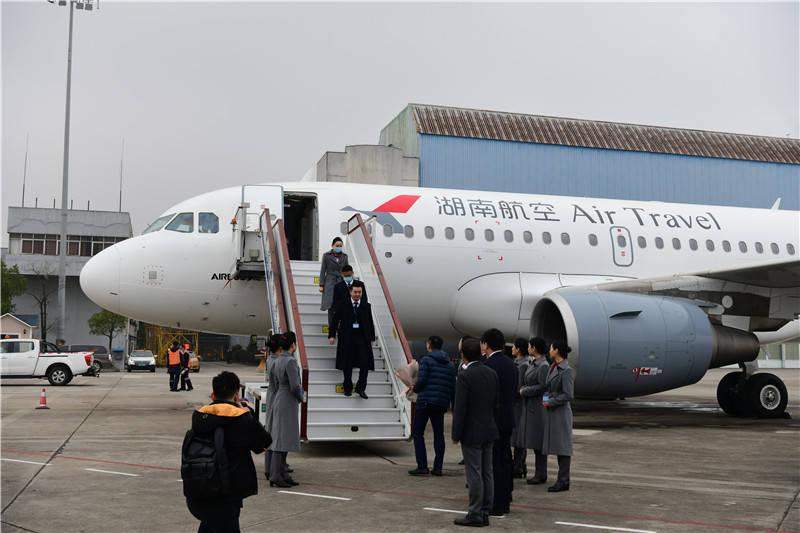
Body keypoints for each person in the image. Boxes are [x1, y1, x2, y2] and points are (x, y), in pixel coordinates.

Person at [185, 371, 272, 533]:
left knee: (209, 526)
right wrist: (249, 416)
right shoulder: (241, 419)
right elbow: (264, 443)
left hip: (197, 491)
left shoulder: (199, 417)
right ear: (237, 396)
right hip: (225, 496)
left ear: (212, 395)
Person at [452, 337, 499, 527]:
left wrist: (456, 434)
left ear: (462, 355)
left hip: (472, 431)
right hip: (489, 428)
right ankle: (486, 510)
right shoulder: (491, 373)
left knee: (474, 474)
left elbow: (460, 407)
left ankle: (475, 513)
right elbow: (496, 403)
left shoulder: (465, 376)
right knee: (487, 471)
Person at [481, 328, 518, 516]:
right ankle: (506, 496)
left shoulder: (488, 365)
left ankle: (497, 503)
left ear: (486, 345)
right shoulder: (511, 364)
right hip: (508, 418)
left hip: (492, 420)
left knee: (493, 462)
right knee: (505, 459)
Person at [408, 335, 456, 477]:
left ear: (429, 346)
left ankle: (422, 466)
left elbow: (421, 381)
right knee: (438, 435)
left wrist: (414, 388)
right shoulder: (449, 364)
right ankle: (438, 467)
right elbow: (452, 386)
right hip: (441, 403)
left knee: (417, 432)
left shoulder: (426, 360)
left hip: (425, 401)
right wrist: (453, 406)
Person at [265, 332, 304, 488]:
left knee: (280, 437)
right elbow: (295, 386)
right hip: (287, 399)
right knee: (282, 440)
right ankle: (276, 474)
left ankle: (281, 473)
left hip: (278, 396)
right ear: (293, 345)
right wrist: (301, 397)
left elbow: (273, 383)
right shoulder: (290, 361)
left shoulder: (277, 360)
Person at [328, 285, 374, 399]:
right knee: (347, 364)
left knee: (365, 363)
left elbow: (370, 323)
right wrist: (332, 335)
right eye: (355, 292)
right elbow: (335, 320)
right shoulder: (343, 304)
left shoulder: (366, 306)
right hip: (347, 338)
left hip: (362, 338)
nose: (358, 294)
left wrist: (372, 338)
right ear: (350, 292)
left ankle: (360, 388)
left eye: (359, 292)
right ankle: (347, 387)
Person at [541, 340, 575, 493]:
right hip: (552, 410)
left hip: (560, 412)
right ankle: (562, 479)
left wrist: (552, 402)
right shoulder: (552, 367)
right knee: (557, 445)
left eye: (551, 348)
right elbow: (548, 387)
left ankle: (563, 480)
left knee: (563, 447)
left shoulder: (566, 370)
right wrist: (546, 399)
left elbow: (568, 394)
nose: (549, 350)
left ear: (557, 350)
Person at [520, 337, 549, 485]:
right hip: (530, 405)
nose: (528, 348)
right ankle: (539, 472)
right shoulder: (534, 363)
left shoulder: (543, 365)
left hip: (537, 407)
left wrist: (525, 391)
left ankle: (541, 472)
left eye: (530, 346)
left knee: (538, 442)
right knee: (534, 441)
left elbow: (543, 386)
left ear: (535, 348)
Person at [510, 338, 530, 478]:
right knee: (517, 436)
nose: (511, 349)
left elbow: (518, 386)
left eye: (514, 347)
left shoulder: (522, 365)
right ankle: (520, 465)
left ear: (518, 349)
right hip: (516, 404)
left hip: (519, 404)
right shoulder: (518, 363)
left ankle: (518, 466)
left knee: (519, 437)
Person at [319, 237, 349, 330]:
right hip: (330, 282)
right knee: (331, 306)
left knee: (340, 306)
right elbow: (323, 270)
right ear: (332, 246)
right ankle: (331, 328)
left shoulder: (345, 256)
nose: (339, 247)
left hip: (341, 281)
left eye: (340, 246)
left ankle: (340, 327)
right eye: (337, 245)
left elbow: (347, 270)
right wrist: (321, 284)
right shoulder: (326, 255)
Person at [329, 264, 367, 332]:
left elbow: (364, 300)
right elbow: (335, 303)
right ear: (342, 275)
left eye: (349, 275)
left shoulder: (360, 284)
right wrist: (338, 319)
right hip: (344, 317)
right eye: (345, 276)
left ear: (353, 273)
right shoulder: (338, 286)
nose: (347, 277)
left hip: (357, 315)